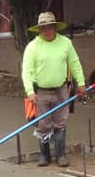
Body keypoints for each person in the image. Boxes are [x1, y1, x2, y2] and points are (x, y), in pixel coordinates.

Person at [22, 12, 86, 167]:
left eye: (49, 27)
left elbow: (75, 63)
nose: (46, 30)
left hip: (61, 90)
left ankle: (60, 155)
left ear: (55, 27)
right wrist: (30, 91)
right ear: (39, 29)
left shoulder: (65, 43)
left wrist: (81, 83)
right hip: (40, 92)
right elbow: (26, 71)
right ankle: (44, 154)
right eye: (43, 27)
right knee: (43, 124)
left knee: (60, 122)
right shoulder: (32, 47)